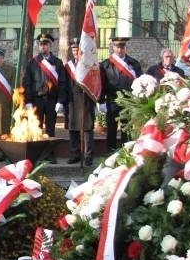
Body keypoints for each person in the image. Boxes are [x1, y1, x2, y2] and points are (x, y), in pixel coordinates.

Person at [22, 33, 66, 145]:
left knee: (50, 128)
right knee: (37, 127)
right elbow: (27, 83)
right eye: (41, 44)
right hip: (37, 100)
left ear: (51, 45)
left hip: (52, 100)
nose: (43, 46)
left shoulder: (57, 62)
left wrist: (60, 101)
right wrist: (28, 101)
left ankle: (50, 154)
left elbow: (62, 83)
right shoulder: (32, 63)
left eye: (45, 44)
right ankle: (38, 153)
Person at [99, 37, 142, 151]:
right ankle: (111, 152)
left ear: (125, 48)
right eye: (117, 47)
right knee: (111, 129)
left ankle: (126, 152)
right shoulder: (105, 64)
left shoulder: (134, 63)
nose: (119, 50)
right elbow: (102, 84)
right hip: (112, 100)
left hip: (129, 101)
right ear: (113, 47)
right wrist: (101, 101)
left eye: (122, 47)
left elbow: (140, 81)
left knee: (126, 129)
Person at [62, 38, 96, 166]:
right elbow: (64, 84)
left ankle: (88, 156)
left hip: (85, 100)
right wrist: (62, 101)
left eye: (78, 50)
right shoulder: (68, 66)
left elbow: (94, 82)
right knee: (73, 129)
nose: (76, 52)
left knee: (87, 129)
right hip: (72, 101)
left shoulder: (89, 65)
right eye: (73, 50)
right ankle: (75, 154)